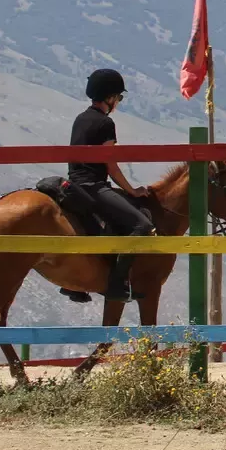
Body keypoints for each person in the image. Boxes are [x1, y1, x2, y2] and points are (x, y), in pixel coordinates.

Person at [67, 68, 155, 302]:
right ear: (109, 97)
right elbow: (110, 165)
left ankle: (75, 282)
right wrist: (132, 190)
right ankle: (117, 284)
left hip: (74, 184)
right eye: (119, 97)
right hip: (93, 186)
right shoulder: (106, 123)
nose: (118, 102)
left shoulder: (80, 118)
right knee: (142, 225)